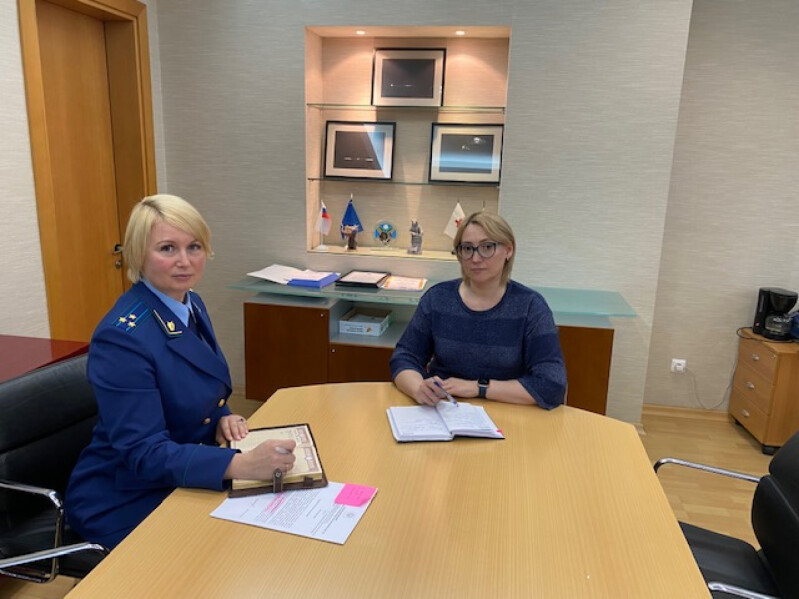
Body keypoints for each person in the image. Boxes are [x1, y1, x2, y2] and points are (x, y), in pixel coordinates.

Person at [66, 194, 296, 550]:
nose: (185, 261)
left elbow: (197, 381)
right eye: (167, 248)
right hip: (125, 496)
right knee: (240, 546)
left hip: (183, 470)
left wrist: (222, 416)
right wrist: (240, 465)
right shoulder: (122, 338)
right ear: (138, 254)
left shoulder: (190, 303)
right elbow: (144, 452)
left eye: (194, 247)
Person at [390, 211, 567, 409]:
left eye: (487, 247)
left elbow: (552, 384)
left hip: (509, 411)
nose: (475, 258)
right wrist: (418, 389)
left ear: (508, 250)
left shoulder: (531, 306)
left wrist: (478, 388)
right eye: (467, 248)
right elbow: (404, 357)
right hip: (443, 409)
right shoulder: (437, 298)